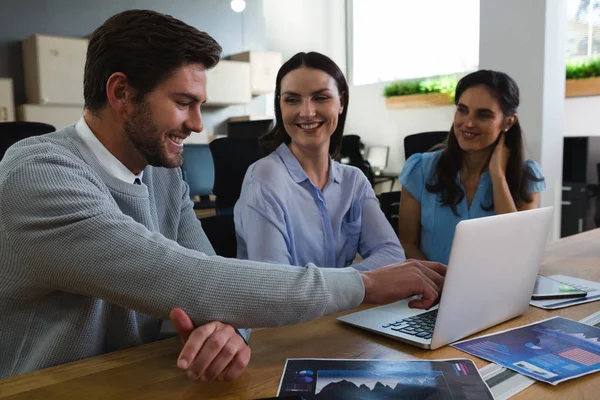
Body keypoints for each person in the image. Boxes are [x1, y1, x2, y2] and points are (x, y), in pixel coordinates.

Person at [0, 10, 445, 381]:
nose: (197, 124)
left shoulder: (164, 176)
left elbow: (210, 278)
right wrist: (363, 283)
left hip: (149, 376)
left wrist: (226, 328)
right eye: (183, 102)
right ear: (121, 93)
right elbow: (177, 275)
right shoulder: (39, 172)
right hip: (53, 386)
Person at [234, 52, 405, 271]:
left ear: (341, 103)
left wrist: (343, 286)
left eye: (321, 97)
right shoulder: (263, 179)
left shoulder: (354, 182)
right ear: (281, 106)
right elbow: (275, 282)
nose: (307, 112)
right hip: (289, 307)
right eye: (292, 100)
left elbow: (392, 254)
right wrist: (352, 284)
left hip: (348, 307)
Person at [398, 70, 546, 265]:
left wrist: (498, 177)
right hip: (432, 289)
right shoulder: (420, 169)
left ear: (508, 122)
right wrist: (445, 283)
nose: (468, 123)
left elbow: (516, 252)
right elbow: (406, 245)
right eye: (462, 110)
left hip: (498, 290)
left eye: (483, 115)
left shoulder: (527, 177)